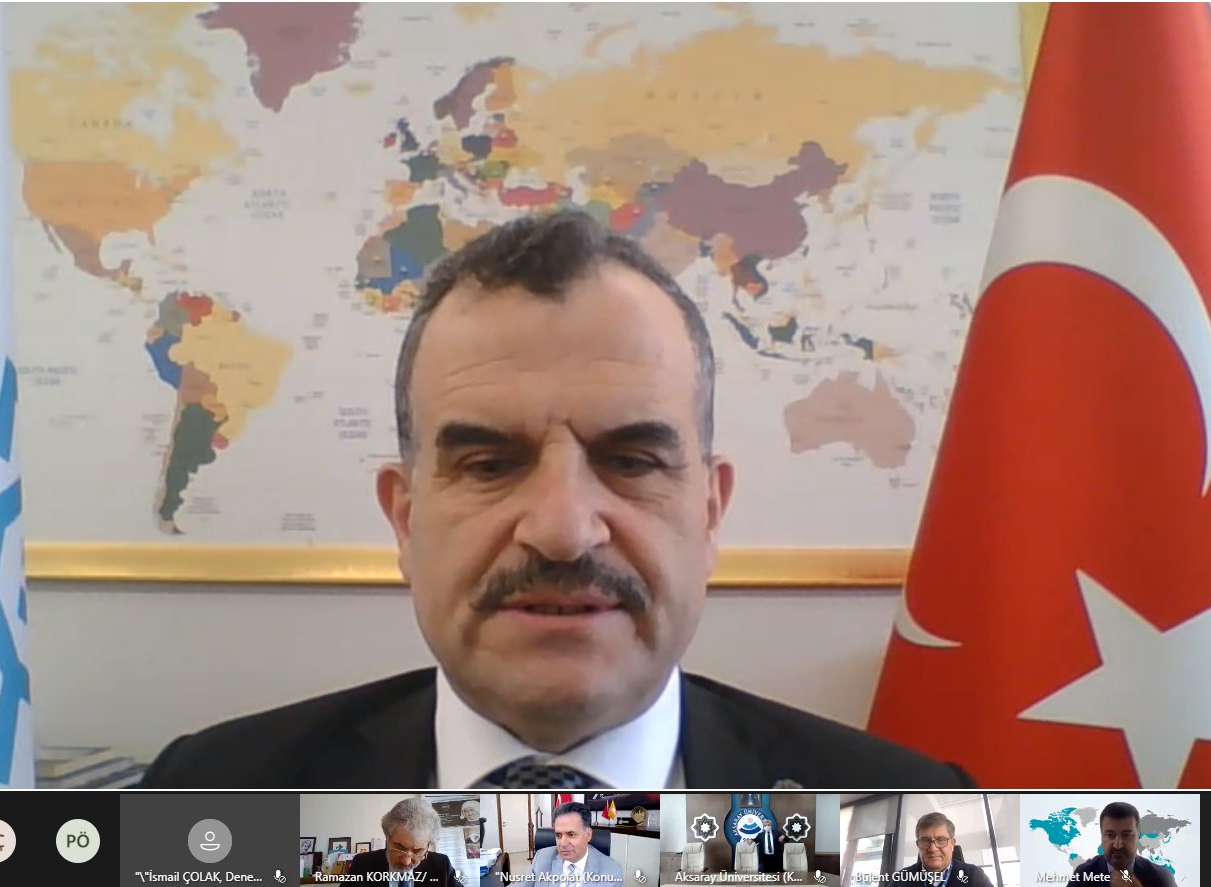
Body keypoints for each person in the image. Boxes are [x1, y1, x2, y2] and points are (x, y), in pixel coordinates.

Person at [139, 209, 975, 789]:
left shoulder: (907, 821)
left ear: (710, 512)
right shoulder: (207, 795)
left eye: (632, 460)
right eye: (488, 464)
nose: (564, 530)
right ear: (404, 516)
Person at [347, 798, 459, 885]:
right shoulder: (362, 864)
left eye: (418, 851)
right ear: (388, 838)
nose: (406, 862)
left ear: (427, 846)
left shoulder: (441, 866)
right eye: (399, 847)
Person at [1070, 803, 1176, 887]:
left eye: (1126, 835)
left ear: (1138, 835)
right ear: (1102, 836)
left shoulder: (1162, 877)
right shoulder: (1083, 875)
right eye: (1110, 835)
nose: (1118, 845)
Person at [534, 802, 623, 884]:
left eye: (571, 834)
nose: (563, 844)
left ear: (588, 835)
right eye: (558, 835)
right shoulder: (540, 858)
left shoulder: (612, 870)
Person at [897, 812, 993, 887]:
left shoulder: (974, 876)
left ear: (952, 843)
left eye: (941, 840)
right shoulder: (901, 879)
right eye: (925, 840)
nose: (933, 849)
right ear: (918, 845)